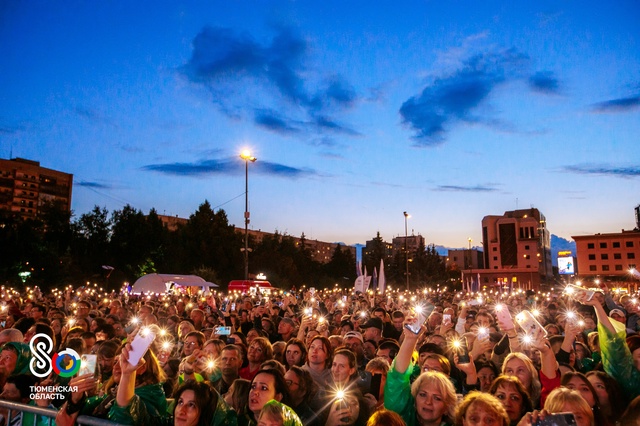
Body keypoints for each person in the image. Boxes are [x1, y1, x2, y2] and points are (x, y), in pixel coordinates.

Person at [384, 324, 457, 426]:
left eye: (437, 398)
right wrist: (410, 339)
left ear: (447, 407)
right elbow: (397, 379)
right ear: (414, 399)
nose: (428, 402)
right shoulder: (403, 419)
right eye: (423, 395)